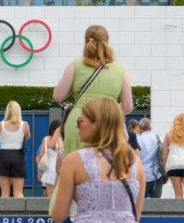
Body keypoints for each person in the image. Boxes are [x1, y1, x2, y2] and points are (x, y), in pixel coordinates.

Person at [52, 25, 134, 159]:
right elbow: (127, 106)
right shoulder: (121, 70)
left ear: (86, 41)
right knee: (107, 168)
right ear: (107, 41)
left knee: (74, 166)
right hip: (107, 122)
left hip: (79, 121)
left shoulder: (75, 65)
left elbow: (57, 96)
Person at [0, 101, 31, 198]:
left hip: (3, 156)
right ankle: (21, 213)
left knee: (5, 193)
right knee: (18, 193)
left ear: (7, 111)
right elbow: (27, 137)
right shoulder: (25, 125)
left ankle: (3, 213)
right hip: (18, 156)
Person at [136, 118, 164, 199]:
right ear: (150, 128)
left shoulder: (138, 140)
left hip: (142, 176)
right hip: (157, 176)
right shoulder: (159, 138)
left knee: (140, 203)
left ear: (140, 127)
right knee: (156, 204)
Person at [36, 119, 63, 200]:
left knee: (50, 198)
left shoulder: (46, 139)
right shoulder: (63, 140)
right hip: (61, 169)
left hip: (48, 170)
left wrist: (40, 171)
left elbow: (42, 155)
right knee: (60, 197)